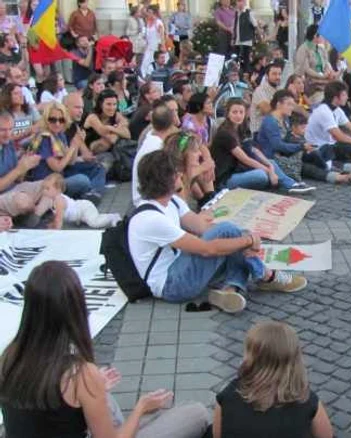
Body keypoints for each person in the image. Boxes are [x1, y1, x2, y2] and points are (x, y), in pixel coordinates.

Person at [0, 261, 211, 438]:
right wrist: (140, 408)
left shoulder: (9, 355)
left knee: (104, 398)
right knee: (196, 413)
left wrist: (95, 388)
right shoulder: (79, 374)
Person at [130, 150, 308, 312]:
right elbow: (206, 248)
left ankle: (230, 289)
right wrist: (248, 241)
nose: (181, 174)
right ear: (166, 179)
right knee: (228, 232)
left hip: (180, 268)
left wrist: (242, 236)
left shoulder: (172, 202)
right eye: (176, 172)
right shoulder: (151, 218)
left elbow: (201, 227)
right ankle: (265, 276)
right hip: (172, 285)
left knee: (231, 235)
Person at [213, 321, 334, 437]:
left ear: (251, 357)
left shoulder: (228, 395)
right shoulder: (306, 400)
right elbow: (327, 435)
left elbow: (217, 435)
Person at [211, 98, 312, 193]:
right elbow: (245, 159)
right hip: (226, 178)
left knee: (271, 162)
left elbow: (254, 149)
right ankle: (283, 184)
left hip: (239, 169)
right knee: (262, 175)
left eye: (241, 112)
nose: (238, 116)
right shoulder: (225, 133)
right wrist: (269, 171)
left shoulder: (241, 128)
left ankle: (291, 184)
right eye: (234, 112)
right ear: (228, 114)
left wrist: (270, 167)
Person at [26, 102, 106, 203]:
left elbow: (71, 162)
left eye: (61, 120)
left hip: (60, 176)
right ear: (46, 120)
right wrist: (72, 147)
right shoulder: (45, 137)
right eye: (53, 120)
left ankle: (93, 193)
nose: (57, 123)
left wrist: (76, 143)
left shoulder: (60, 134)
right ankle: (88, 193)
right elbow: (57, 167)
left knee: (97, 167)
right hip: (47, 183)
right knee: (82, 180)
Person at [305, 81, 351, 173]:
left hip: (330, 144)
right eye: (344, 95)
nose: (347, 98)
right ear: (336, 98)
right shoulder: (323, 111)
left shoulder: (337, 109)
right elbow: (339, 136)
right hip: (319, 148)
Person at [0, 111, 53, 223]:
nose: (7, 134)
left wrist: (25, 166)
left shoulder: (8, 144)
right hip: (3, 195)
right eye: (3, 130)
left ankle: (35, 214)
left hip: (14, 189)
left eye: (10, 129)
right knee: (22, 201)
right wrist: (19, 169)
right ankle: (37, 212)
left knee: (53, 184)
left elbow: (19, 180)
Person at [131, 98, 180, 205]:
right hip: (147, 199)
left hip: (144, 194)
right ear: (171, 123)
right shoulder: (158, 148)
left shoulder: (151, 136)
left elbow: (186, 136)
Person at [41, 173, 120, 229]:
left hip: (84, 208)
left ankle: (112, 217)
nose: (44, 191)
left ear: (58, 189)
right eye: (43, 188)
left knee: (94, 223)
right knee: (89, 219)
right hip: (79, 211)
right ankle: (86, 218)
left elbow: (59, 218)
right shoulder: (52, 200)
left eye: (47, 188)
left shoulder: (59, 200)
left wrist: (55, 230)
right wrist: (53, 224)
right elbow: (56, 216)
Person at [161, 132, 216, 209]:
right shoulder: (175, 181)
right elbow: (184, 215)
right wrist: (204, 167)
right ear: (182, 154)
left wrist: (206, 167)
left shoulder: (187, 172)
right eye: (195, 151)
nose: (200, 154)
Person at [82, 89, 131, 158]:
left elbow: (128, 135)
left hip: (110, 148)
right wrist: (119, 130)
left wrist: (110, 128)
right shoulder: (92, 117)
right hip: (91, 149)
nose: (112, 108)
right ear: (100, 104)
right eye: (108, 104)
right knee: (105, 142)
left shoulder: (116, 115)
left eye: (114, 104)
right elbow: (111, 139)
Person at [294, 25, 337, 97]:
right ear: (315, 36)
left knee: (339, 85)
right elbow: (306, 69)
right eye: (322, 35)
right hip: (310, 80)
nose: (324, 38)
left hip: (322, 78)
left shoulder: (321, 49)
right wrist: (322, 76)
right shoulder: (303, 49)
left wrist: (328, 73)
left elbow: (326, 64)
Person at [0, 82, 39, 149]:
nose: (21, 96)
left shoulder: (30, 110)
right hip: (13, 148)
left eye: (21, 93)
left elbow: (41, 123)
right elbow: (6, 137)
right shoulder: (4, 114)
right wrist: (26, 133)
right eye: (16, 93)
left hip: (32, 145)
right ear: (8, 96)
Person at [250, 61, 283, 136]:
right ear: (267, 76)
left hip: (276, 131)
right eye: (274, 74)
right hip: (260, 133)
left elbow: (291, 106)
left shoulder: (279, 89)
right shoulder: (260, 90)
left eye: (279, 74)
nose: (278, 77)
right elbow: (267, 110)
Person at [231, 0, 257, 73]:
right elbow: (235, 26)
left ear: (245, 2)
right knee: (236, 58)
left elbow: (255, 24)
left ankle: (246, 73)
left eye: (241, 1)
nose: (239, 3)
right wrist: (233, 38)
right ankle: (236, 72)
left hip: (246, 40)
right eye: (238, 2)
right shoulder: (236, 13)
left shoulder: (248, 12)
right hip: (237, 40)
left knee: (246, 59)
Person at [140, 5, 165, 78]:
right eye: (148, 12)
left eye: (150, 12)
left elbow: (162, 35)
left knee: (155, 64)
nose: (148, 14)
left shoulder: (158, 22)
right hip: (149, 47)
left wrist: (162, 46)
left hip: (156, 47)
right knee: (144, 65)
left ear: (154, 13)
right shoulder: (148, 23)